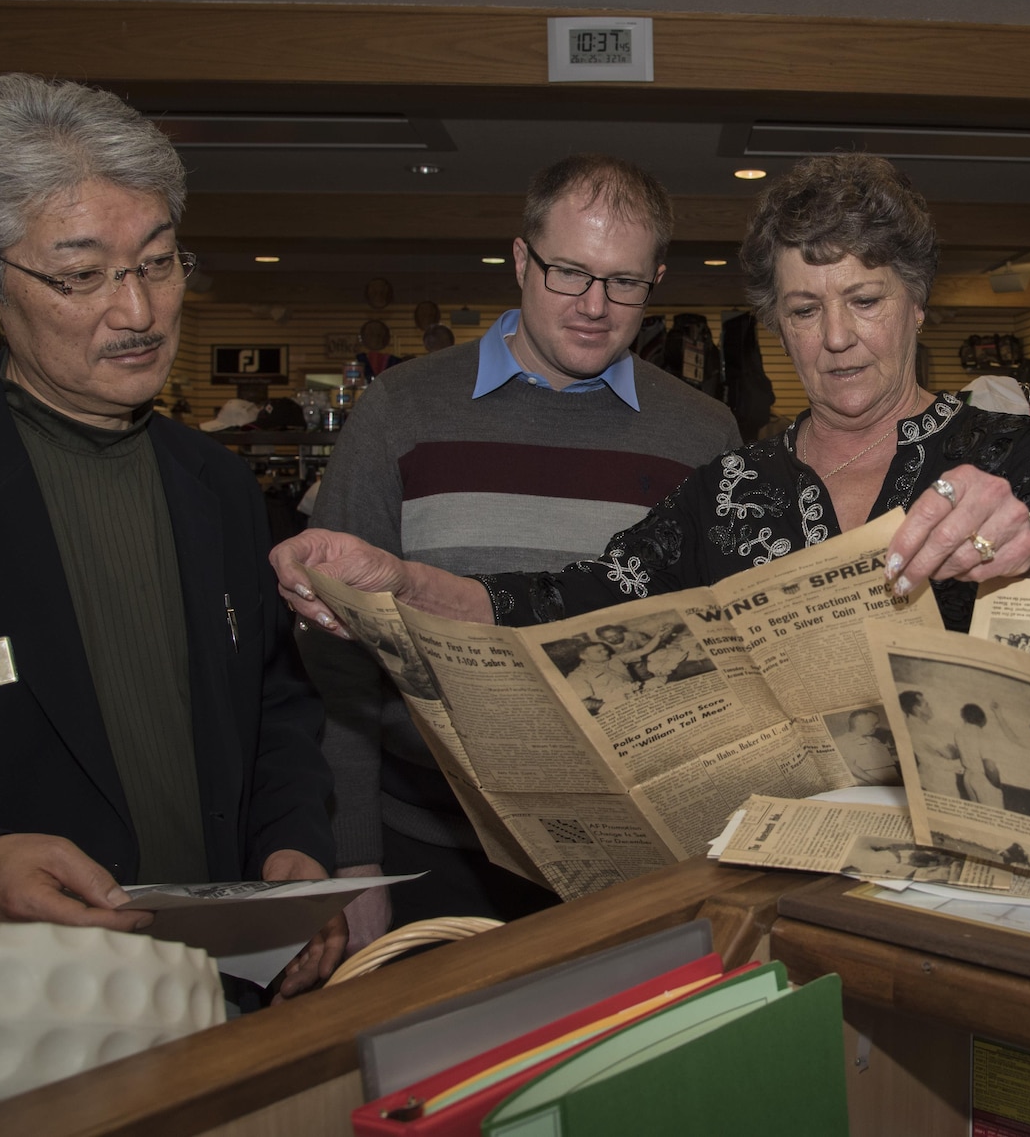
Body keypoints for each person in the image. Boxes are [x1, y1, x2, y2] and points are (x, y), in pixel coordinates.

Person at [0, 74, 342, 1000]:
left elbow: (276, 707)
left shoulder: (216, 483)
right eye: (79, 276)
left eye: (158, 261)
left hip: (215, 994)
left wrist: (291, 842)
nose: (139, 312)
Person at [273, 152, 1030, 650]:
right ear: (775, 326)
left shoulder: (1008, 452)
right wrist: (403, 581)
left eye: (865, 300)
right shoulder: (727, 487)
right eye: (803, 308)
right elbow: (560, 603)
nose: (837, 337)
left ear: (917, 303)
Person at [300, 155, 741, 948]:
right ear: (518, 259)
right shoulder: (400, 410)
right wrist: (352, 852)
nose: (595, 306)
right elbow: (338, 654)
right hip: (426, 849)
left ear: (658, 280)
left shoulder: (704, 434)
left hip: (630, 860)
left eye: (625, 282)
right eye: (569, 272)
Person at [837, 708, 902, 786]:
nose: (878, 726)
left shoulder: (875, 740)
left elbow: (884, 758)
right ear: (859, 723)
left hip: (896, 781)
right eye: (874, 723)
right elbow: (849, 765)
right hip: (875, 785)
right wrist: (874, 781)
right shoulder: (843, 741)